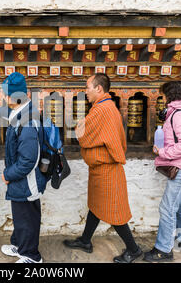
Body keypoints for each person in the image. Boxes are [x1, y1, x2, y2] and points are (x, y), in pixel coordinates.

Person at [63, 73, 142, 263]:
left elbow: (81, 132)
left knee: (115, 211)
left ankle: (134, 249)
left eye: (88, 87)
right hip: (101, 169)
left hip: (108, 169)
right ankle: (85, 240)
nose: (85, 91)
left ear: (99, 88)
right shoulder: (103, 107)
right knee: (97, 206)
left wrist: (80, 127)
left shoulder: (102, 109)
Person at [144, 81, 181, 262]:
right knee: (180, 205)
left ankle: (163, 250)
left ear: (170, 95)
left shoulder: (180, 115)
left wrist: (162, 152)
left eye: (162, 95)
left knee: (167, 208)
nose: (162, 99)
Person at [0, 72, 48, 263]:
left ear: (13, 96)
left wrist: (8, 174)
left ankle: (31, 256)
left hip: (27, 180)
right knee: (20, 214)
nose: (1, 97)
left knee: (27, 217)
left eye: (3, 94)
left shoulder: (27, 121)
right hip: (21, 180)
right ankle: (20, 245)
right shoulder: (21, 113)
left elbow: (28, 160)